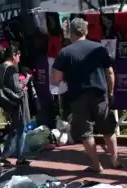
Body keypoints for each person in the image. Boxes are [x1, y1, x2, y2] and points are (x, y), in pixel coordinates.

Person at [52, 17, 121, 172]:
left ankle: (96, 164)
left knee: (85, 132)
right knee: (108, 128)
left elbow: (56, 78)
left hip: (77, 96)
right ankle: (115, 160)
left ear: (70, 33)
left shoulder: (64, 53)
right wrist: (110, 92)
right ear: (86, 31)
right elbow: (110, 72)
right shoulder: (98, 48)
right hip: (99, 93)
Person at [0, 45, 30, 167]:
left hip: (7, 101)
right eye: (18, 55)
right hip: (17, 101)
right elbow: (17, 87)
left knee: (15, 129)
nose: (20, 58)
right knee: (22, 128)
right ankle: (20, 157)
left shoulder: (1, 67)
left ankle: (5, 155)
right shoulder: (11, 69)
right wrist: (26, 79)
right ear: (13, 55)